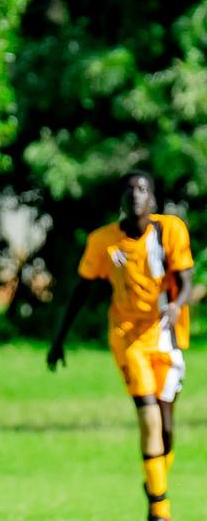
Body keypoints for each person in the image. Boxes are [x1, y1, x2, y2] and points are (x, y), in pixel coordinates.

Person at [48, 171, 195, 521]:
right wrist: (58, 339)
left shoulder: (171, 230)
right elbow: (80, 291)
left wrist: (177, 306)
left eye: (143, 188)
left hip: (165, 335)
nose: (136, 194)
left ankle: (154, 479)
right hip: (126, 335)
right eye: (129, 189)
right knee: (148, 420)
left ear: (153, 200)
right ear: (121, 200)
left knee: (167, 429)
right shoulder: (103, 241)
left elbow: (186, 281)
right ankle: (159, 509)